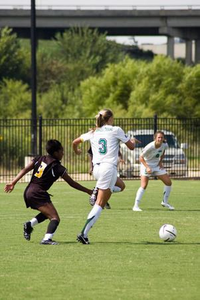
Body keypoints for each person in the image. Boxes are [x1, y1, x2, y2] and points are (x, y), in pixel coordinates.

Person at [4, 139, 92, 245]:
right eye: (61, 151)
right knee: (55, 218)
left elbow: (24, 170)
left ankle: (29, 224)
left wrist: (13, 182)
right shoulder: (57, 167)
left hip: (29, 191)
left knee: (47, 213)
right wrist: (88, 191)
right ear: (56, 153)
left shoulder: (40, 158)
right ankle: (47, 239)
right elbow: (72, 183)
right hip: (38, 193)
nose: (63, 153)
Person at [72, 108, 136, 244]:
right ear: (110, 119)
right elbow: (131, 147)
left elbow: (75, 142)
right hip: (108, 168)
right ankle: (83, 233)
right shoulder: (116, 130)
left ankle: (96, 190)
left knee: (120, 186)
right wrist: (133, 141)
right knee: (99, 204)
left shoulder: (93, 132)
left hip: (97, 169)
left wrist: (77, 151)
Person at [132, 131, 174, 212]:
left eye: (161, 137)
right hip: (146, 165)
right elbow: (141, 158)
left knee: (168, 182)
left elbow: (163, 152)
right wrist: (147, 167)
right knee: (144, 186)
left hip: (156, 166)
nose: (160, 139)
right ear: (155, 138)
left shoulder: (165, 145)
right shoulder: (150, 146)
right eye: (158, 137)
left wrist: (160, 162)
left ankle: (164, 202)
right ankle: (135, 206)